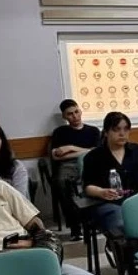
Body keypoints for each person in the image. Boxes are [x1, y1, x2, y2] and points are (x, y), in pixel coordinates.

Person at [82, 112, 138, 237]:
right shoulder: (93, 156)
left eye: (126, 129)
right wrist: (101, 192)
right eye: (116, 129)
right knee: (122, 225)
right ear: (106, 132)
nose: (122, 133)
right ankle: (124, 248)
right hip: (109, 204)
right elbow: (88, 187)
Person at [50, 99, 101, 240]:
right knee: (63, 183)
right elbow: (55, 156)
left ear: (80, 111)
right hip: (68, 165)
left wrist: (70, 148)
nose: (75, 116)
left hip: (90, 163)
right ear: (64, 116)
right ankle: (75, 228)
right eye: (70, 114)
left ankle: (95, 222)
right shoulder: (60, 132)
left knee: (99, 180)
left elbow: (97, 152)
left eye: (76, 112)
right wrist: (85, 151)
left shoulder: (93, 131)